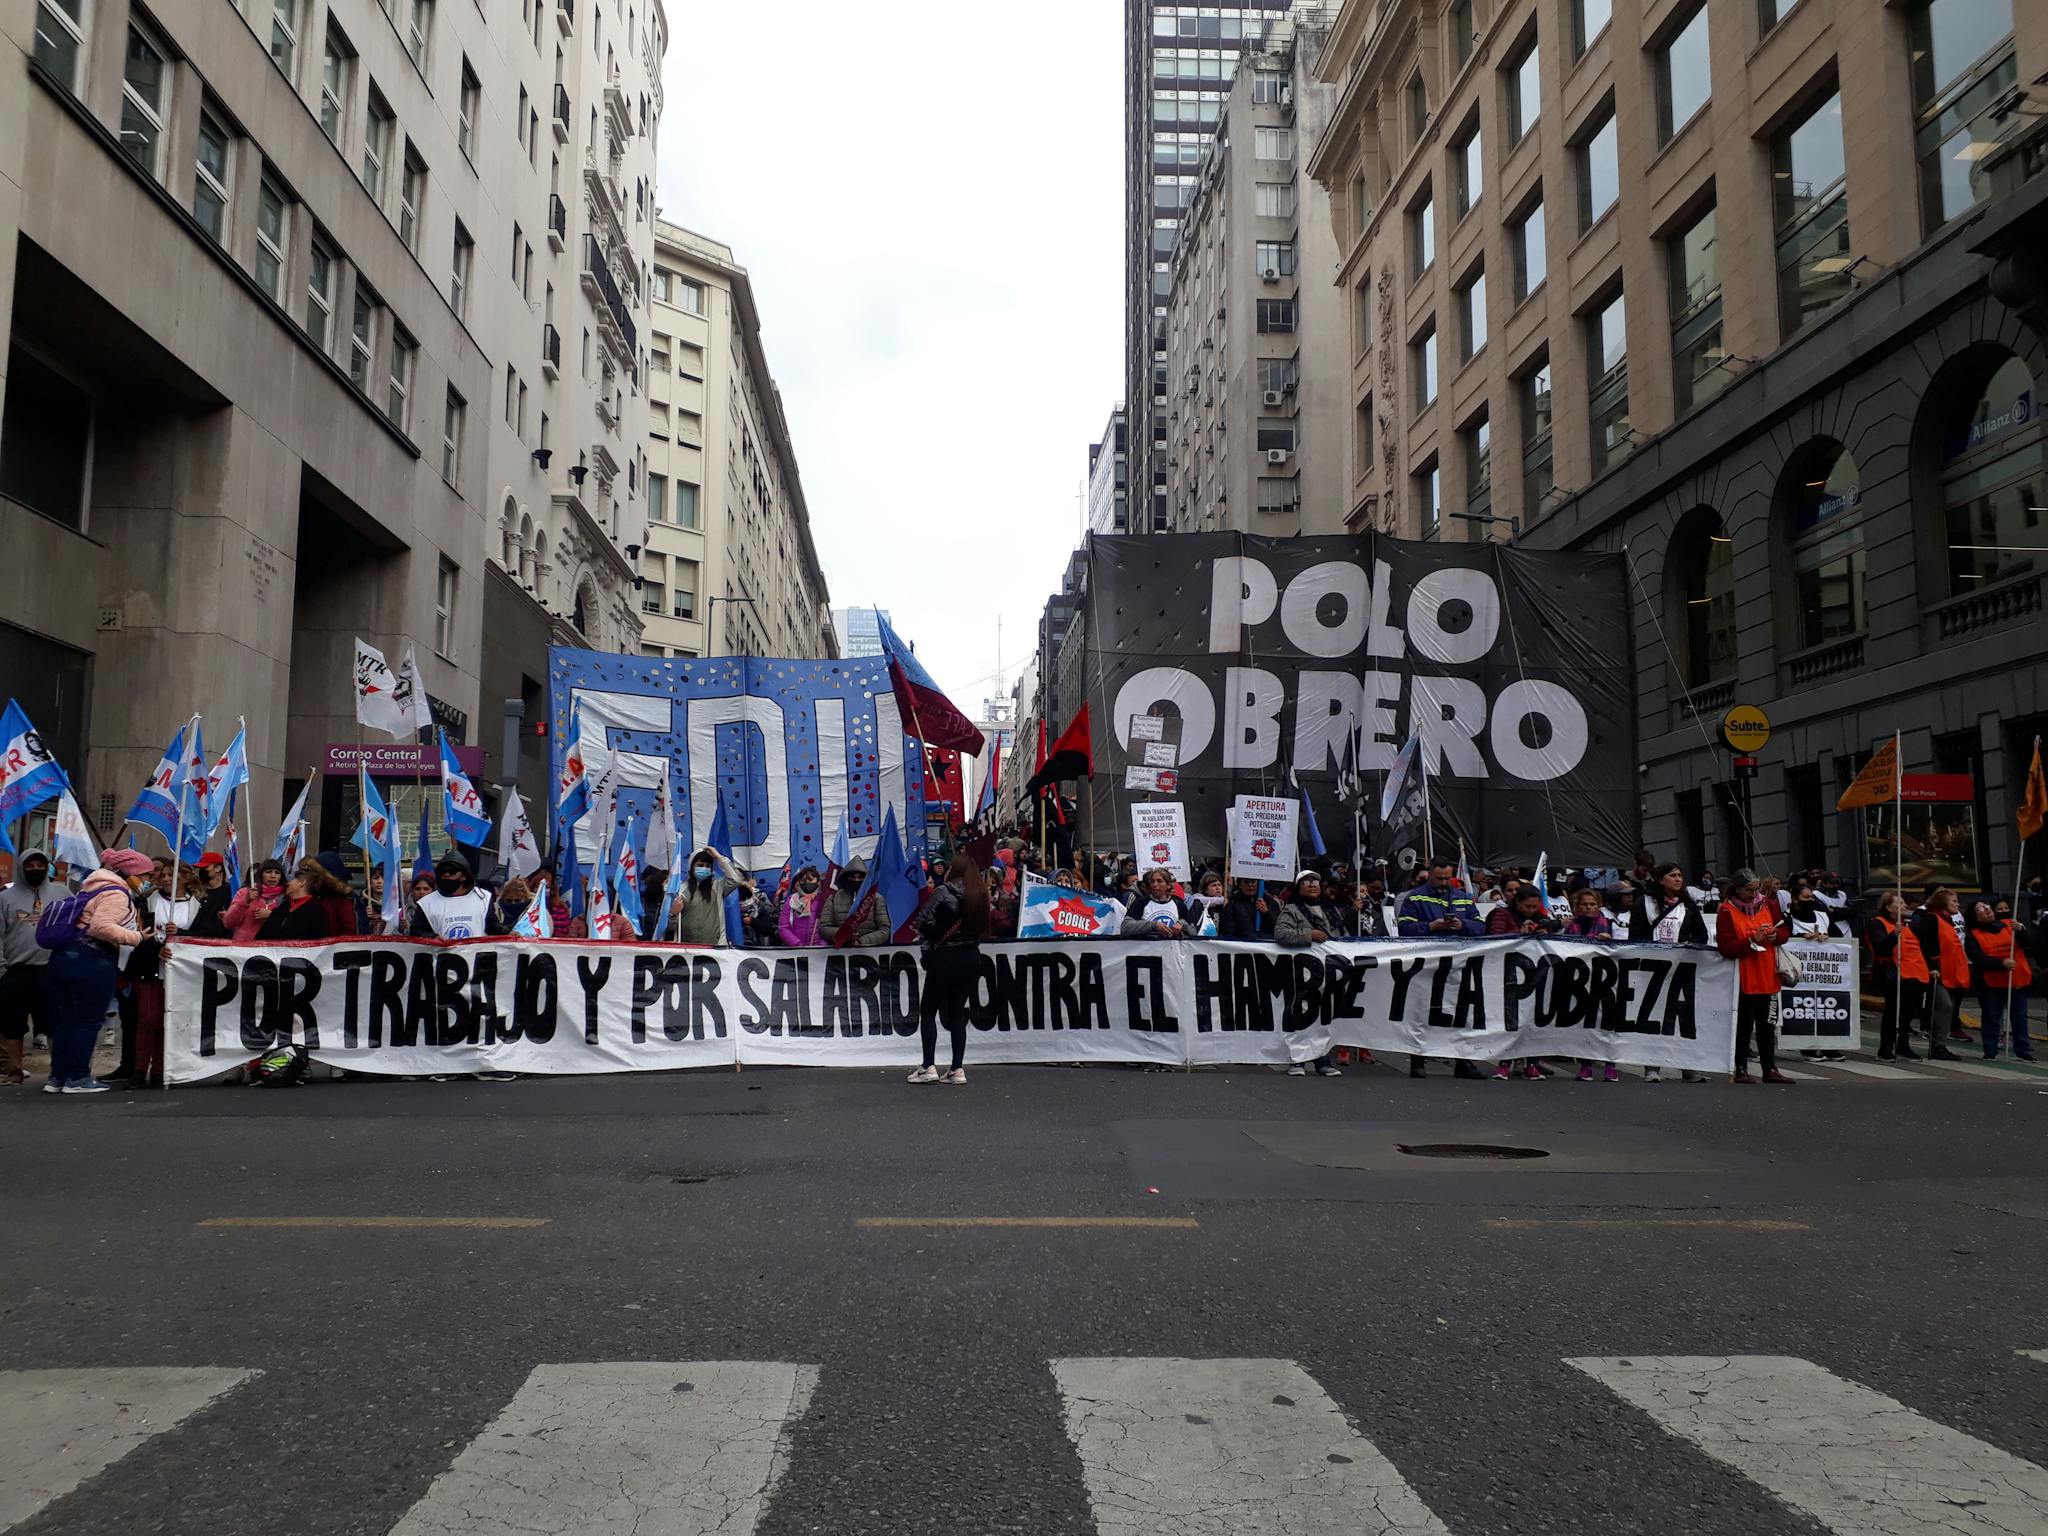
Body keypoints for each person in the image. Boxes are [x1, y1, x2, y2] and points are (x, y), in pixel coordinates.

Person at [44, 849, 152, 1094]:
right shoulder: (116, 893)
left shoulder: (91, 887)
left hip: (64, 957)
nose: (148, 880)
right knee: (88, 1021)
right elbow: (101, 927)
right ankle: (78, 1078)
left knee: (68, 1019)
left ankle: (58, 1077)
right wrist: (136, 936)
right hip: (92, 961)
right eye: (146, 874)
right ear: (130, 872)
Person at [1396, 860, 1487, 1079]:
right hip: (1426, 965)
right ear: (1430, 876)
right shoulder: (1414, 897)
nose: (1444, 882)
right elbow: (1404, 929)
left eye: (1448, 878)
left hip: (1458, 963)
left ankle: (1463, 1062)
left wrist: (1461, 925)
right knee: (1420, 1013)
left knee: (1461, 1012)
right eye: (1440, 878)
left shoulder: (1463, 897)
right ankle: (1418, 1061)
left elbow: (1481, 926)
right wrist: (1430, 926)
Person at [907, 853, 988, 1086]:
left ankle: (928, 1066)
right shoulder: (981, 895)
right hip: (971, 956)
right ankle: (957, 1068)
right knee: (957, 1013)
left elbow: (923, 922)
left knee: (928, 1010)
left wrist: (938, 936)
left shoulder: (944, 891)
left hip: (945, 956)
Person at [1629, 863, 1710, 1081]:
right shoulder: (1643, 903)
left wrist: (1688, 946)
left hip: (1681, 968)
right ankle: (1652, 1067)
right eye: (1672, 875)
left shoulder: (1688, 905)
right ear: (1659, 879)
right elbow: (1634, 936)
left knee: (1684, 1016)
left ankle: (1688, 1066)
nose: (1678, 879)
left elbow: (1702, 935)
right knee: (1653, 1015)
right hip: (1653, 968)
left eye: (1680, 875)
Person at [1715, 869, 1793, 1085]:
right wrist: (1752, 941)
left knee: (1768, 1025)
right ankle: (1740, 1068)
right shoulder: (1727, 912)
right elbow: (1726, 948)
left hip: (1768, 974)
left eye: (1756, 889)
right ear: (1737, 889)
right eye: (1748, 890)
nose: (1753, 893)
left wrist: (1777, 935)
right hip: (1742, 977)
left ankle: (1770, 1069)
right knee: (1743, 1025)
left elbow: (1785, 930)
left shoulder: (1768, 904)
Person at [1273, 870, 1344, 1077]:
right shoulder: (1292, 910)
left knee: (1324, 1017)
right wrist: (1308, 935)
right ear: (1298, 887)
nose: (1313, 885)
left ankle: (1322, 1060)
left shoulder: (1331, 910)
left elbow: (1343, 935)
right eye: (1307, 882)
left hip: (1328, 972)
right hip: (1303, 971)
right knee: (1301, 1015)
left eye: (1316, 881)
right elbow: (1281, 934)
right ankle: (1298, 1060)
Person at [1484, 889, 1557, 1081]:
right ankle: (1504, 1063)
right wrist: (1518, 933)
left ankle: (1532, 1063)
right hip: (1507, 976)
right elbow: (1493, 937)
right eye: (1527, 906)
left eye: (1534, 907)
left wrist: (1544, 933)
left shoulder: (1541, 918)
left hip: (1534, 977)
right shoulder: (1502, 914)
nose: (1530, 910)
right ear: (1517, 902)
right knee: (1510, 1019)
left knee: (1532, 1019)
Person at [0, 851, 58, 1086]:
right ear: (21, 868)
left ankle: (58, 1070)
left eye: (40, 864)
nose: (35, 868)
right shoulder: (5, 898)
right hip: (16, 970)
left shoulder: (61, 893)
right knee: (12, 1026)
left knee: (54, 1023)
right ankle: (15, 1070)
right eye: (30, 865)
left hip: (52, 970)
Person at [1965, 899, 2034, 1062]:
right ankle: (1990, 1049)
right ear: (1975, 916)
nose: (1987, 909)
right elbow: (1978, 958)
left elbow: (2029, 944)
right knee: (1991, 1016)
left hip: (2016, 979)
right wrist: (2001, 963)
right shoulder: (1973, 935)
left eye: (1987, 905)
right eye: (1981, 908)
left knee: (2019, 1016)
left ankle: (2023, 1050)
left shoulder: (2010, 925)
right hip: (1991, 983)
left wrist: (2021, 930)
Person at [1866, 890, 1928, 1061]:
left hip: (1914, 975)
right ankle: (1885, 1047)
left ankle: (1903, 1046)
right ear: (1888, 907)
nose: (1904, 906)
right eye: (1899, 903)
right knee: (1892, 1012)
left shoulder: (1908, 925)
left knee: (1907, 1013)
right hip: (1892, 974)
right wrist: (1894, 936)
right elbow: (1880, 948)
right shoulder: (1878, 923)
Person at [1909, 888, 1968, 1057]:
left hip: (1949, 972)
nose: (1957, 904)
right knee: (1944, 1005)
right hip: (1936, 972)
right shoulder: (1931, 919)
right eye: (1953, 901)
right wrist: (1931, 966)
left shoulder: (1946, 920)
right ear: (1943, 903)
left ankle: (1939, 1043)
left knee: (1948, 1007)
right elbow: (1925, 944)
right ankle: (1937, 1043)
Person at [258, 856, 360, 940]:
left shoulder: (319, 908)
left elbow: (348, 934)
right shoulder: (285, 906)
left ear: (303, 882)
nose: (288, 882)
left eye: (295, 878)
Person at [408, 852, 498, 938]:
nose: (446, 875)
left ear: (463, 876)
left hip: (473, 952)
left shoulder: (483, 898)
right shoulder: (426, 903)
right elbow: (416, 931)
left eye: (452, 872)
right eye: (443, 872)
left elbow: (492, 926)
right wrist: (432, 937)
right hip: (441, 952)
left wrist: (509, 933)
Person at [675, 846, 752, 946]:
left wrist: (719, 857)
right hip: (688, 950)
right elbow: (669, 927)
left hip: (716, 949)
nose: (704, 868)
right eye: (700, 865)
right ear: (691, 866)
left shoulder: (718, 887)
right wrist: (673, 914)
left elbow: (736, 879)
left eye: (708, 866)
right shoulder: (680, 890)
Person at [816, 857, 890, 946]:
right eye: (853, 877)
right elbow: (823, 928)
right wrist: (844, 936)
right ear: (845, 878)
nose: (856, 880)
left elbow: (885, 929)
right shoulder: (833, 899)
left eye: (860, 877)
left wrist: (862, 942)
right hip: (840, 953)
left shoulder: (877, 898)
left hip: (870, 953)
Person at [226, 861, 289, 941]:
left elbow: (289, 925)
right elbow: (228, 923)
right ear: (261, 875)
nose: (273, 876)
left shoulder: (286, 897)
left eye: (277, 873)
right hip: (244, 948)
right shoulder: (245, 892)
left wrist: (271, 915)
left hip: (273, 949)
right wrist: (246, 901)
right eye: (268, 872)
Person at [1120, 868, 1191, 939]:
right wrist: (1153, 925)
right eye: (1152, 881)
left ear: (1168, 885)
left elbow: (1193, 931)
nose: (1155, 885)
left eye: (1159, 881)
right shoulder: (1141, 903)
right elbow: (1125, 927)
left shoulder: (1178, 904)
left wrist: (1182, 924)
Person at [777, 865, 826, 947]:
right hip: (797, 951)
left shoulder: (824, 900)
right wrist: (797, 944)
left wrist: (822, 945)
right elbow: (783, 927)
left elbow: (829, 924)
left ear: (818, 881)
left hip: (820, 951)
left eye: (810, 879)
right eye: (803, 880)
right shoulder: (792, 900)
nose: (807, 882)